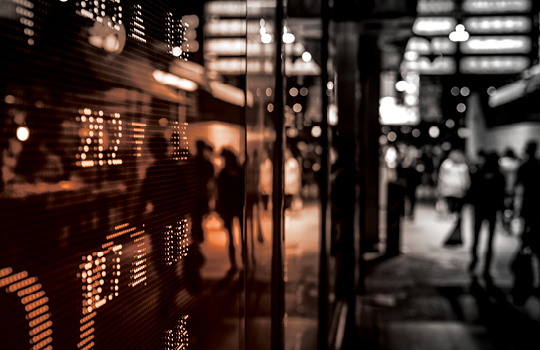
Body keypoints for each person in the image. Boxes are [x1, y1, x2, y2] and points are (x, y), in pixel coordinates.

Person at [467, 152, 506, 276]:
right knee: (490, 240)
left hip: (479, 209)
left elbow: (471, 191)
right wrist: (502, 211)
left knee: (476, 236)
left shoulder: (479, 174)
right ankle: (487, 267)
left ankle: (475, 258)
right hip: (492, 210)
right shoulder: (499, 176)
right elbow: (501, 196)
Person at [513, 141, 540, 293]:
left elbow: (517, 186)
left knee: (525, 240)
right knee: (535, 241)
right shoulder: (538, 166)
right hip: (536, 210)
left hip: (527, 208)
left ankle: (524, 271)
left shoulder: (524, 167)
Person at [216, 148, 244, 271]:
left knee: (239, 236)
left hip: (235, 206)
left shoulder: (227, 173)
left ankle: (239, 262)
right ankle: (235, 263)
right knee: (232, 237)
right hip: (231, 206)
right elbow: (220, 193)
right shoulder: (230, 173)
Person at [191, 140, 215, 243]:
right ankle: (197, 239)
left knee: (196, 219)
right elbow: (211, 181)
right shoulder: (207, 164)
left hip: (194, 195)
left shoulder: (192, 163)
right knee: (198, 219)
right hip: (202, 194)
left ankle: (196, 240)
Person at [437, 149, 470, 217]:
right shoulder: (462, 166)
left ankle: (452, 216)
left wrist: (440, 186)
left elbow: (441, 176)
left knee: (451, 204)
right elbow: (466, 178)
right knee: (456, 206)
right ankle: (455, 216)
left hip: (448, 187)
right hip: (457, 188)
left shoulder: (446, 164)